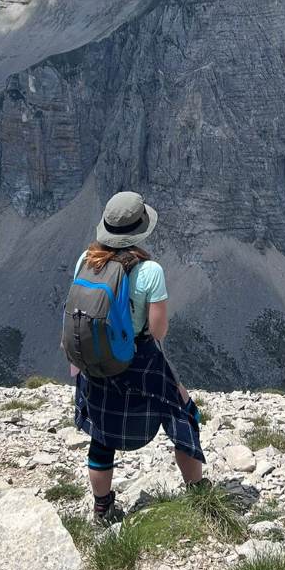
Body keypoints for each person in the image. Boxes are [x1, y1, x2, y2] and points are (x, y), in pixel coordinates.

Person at [71, 191, 205, 523]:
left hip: (96, 364)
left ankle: (102, 507)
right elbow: (158, 332)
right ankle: (198, 493)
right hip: (139, 362)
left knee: (101, 437)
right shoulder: (150, 271)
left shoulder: (85, 260)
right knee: (185, 416)